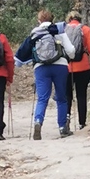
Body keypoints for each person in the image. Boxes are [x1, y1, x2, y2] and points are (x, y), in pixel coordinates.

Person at [14, 9, 75, 139]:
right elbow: (71, 51)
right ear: (52, 19)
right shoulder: (59, 31)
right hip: (60, 66)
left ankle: (38, 122)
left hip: (41, 68)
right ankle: (63, 127)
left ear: (39, 20)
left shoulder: (35, 34)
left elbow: (20, 57)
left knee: (42, 98)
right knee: (61, 98)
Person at [65, 10, 90, 130]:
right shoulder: (86, 29)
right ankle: (82, 122)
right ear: (79, 19)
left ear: (69, 19)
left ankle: (66, 119)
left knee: (67, 95)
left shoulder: (63, 30)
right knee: (81, 95)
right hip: (83, 66)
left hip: (67, 67)